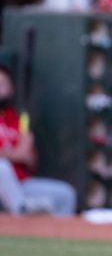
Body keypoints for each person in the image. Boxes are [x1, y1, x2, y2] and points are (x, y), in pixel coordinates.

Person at [0, 66, 76, 216]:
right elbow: (18, 155)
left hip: (20, 183)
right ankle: (22, 208)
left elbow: (30, 161)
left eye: (4, 84)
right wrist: (16, 154)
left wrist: (26, 154)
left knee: (66, 194)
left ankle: (56, 236)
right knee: (1, 167)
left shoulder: (16, 119)